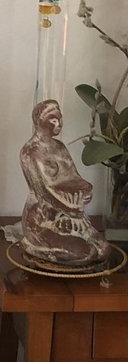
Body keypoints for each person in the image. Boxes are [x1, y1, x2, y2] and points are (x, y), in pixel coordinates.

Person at [19, 98, 111, 265]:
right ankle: (33, 244)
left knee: (103, 249)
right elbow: (44, 191)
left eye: (60, 118)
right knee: (87, 253)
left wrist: (85, 192)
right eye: (53, 120)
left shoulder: (60, 147)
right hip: (43, 219)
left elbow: (74, 177)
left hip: (70, 214)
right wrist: (71, 209)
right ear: (40, 121)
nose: (59, 123)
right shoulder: (31, 152)